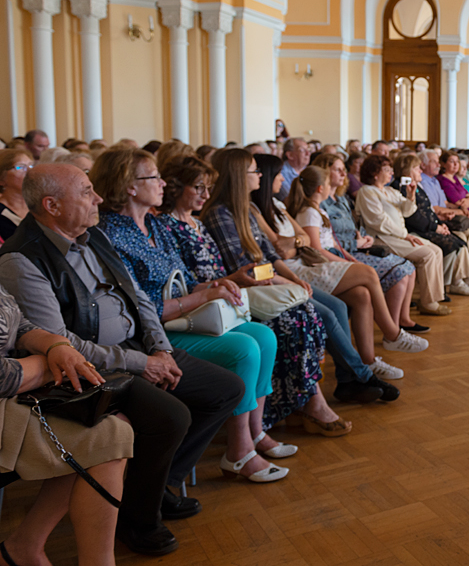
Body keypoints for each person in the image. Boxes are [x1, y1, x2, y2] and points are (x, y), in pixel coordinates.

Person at [0, 164, 245, 556]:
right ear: (52, 205)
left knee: (225, 388)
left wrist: (160, 348)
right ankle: (138, 521)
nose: (98, 199)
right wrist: (138, 363)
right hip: (94, 368)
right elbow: (59, 343)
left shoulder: (91, 233)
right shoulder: (21, 259)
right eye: (86, 192)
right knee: (170, 416)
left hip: (138, 349)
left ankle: (155, 485)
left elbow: (140, 299)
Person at [89, 148, 288, 484]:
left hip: (195, 310)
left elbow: (185, 277)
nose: (162, 183)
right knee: (248, 346)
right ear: (129, 186)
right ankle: (239, 449)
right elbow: (138, 306)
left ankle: (255, 431)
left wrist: (218, 283)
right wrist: (206, 293)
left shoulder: (155, 223)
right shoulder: (113, 233)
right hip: (156, 331)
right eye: (154, 177)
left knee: (266, 336)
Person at [200, 149, 349, 437]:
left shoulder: (247, 209)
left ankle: (305, 401)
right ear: (238, 177)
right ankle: (311, 401)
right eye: (253, 171)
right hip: (245, 292)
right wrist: (281, 279)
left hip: (267, 284)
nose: (259, 176)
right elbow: (243, 268)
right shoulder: (220, 213)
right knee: (302, 318)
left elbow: (271, 253)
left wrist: (292, 278)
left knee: (319, 311)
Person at [0, 286, 131, 566]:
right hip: (8, 391)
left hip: (16, 386)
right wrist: (48, 364)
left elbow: (19, 325)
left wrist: (56, 345)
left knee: (108, 428)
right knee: (107, 436)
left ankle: (26, 546)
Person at [283, 164, 425, 378]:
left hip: (327, 260)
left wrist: (347, 258)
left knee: (362, 295)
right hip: (314, 266)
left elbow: (333, 244)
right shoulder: (308, 213)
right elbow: (315, 250)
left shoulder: (318, 210)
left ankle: (368, 360)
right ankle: (392, 333)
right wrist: (345, 263)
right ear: (321, 188)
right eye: (329, 184)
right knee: (368, 272)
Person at [311, 153, 423, 332]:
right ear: (324, 173)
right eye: (337, 170)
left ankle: (402, 320)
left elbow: (355, 226)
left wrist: (363, 237)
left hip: (358, 247)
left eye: (343, 170)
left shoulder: (341, 199)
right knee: (400, 271)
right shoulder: (320, 204)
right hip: (342, 253)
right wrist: (357, 244)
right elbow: (328, 241)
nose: (343, 174)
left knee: (409, 267)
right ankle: (392, 330)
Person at [355, 155, 451, 316]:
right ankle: (429, 302)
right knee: (427, 255)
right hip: (382, 237)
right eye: (386, 170)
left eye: (390, 169)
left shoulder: (390, 191)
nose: (391, 172)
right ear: (374, 174)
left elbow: (407, 211)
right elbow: (379, 221)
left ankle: (432, 298)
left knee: (436, 250)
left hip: (399, 236)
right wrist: (405, 235)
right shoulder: (367, 192)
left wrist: (410, 195)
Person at [392, 153, 469, 297]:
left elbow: (428, 210)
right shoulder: (401, 187)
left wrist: (440, 224)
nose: (420, 171)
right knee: (453, 245)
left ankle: (455, 282)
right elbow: (413, 217)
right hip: (417, 229)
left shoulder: (416, 186)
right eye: (417, 168)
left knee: (459, 242)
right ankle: (448, 285)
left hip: (428, 225)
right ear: (407, 170)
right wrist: (436, 226)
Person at [0, 149, 32, 240]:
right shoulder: (2, 214)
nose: (29, 171)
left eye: (31, 165)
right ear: (2, 178)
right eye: (20, 167)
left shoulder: (39, 206)